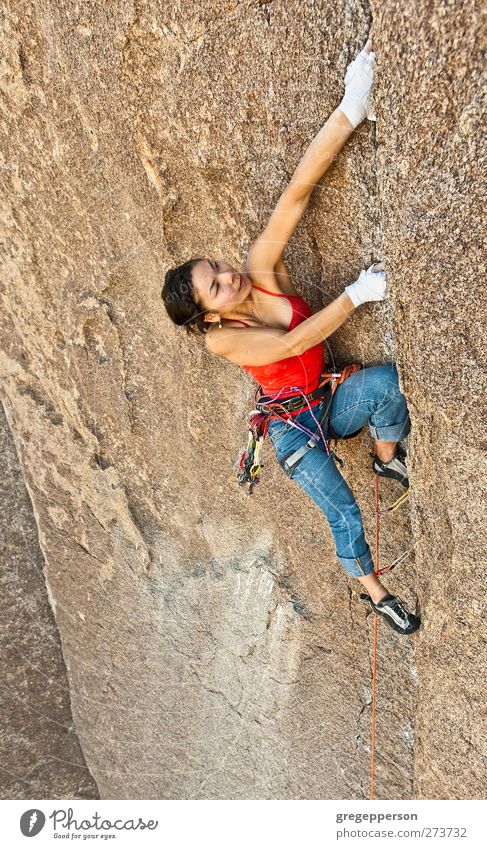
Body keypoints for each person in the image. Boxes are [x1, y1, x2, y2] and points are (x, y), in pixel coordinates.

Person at [162, 38, 420, 636]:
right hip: (293, 434)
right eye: (216, 287)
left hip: (328, 400)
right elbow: (285, 346)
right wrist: (354, 297)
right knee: (346, 515)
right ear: (210, 318)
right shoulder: (222, 342)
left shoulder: (260, 266)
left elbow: (297, 193)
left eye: (216, 268)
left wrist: (350, 109)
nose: (229, 276)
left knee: (388, 388)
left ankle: (385, 459)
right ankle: (375, 592)